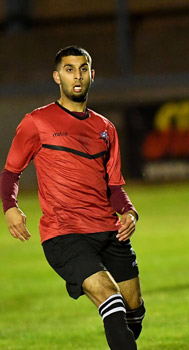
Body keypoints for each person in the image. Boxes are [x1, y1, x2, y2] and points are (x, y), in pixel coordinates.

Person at [0, 46, 145, 350]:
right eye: (69, 69)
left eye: (82, 69)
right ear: (57, 77)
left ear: (92, 75)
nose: (76, 76)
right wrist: (10, 207)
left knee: (134, 311)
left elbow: (115, 186)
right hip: (64, 234)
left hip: (109, 231)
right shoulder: (36, 122)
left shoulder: (106, 128)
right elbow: (10, 172)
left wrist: (129, 213)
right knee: (111, 298)